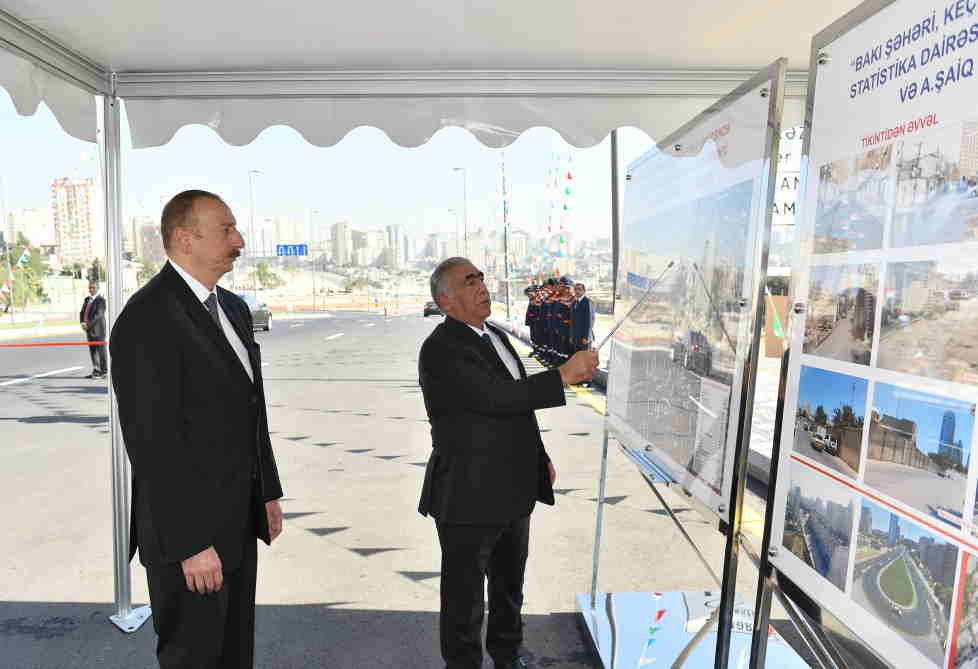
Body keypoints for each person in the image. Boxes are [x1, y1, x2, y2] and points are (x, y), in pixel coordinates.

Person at [109, 190, 284, 669]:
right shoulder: (148, 317)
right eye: (226, 230)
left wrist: (267, 492)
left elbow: (251, 411)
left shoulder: (233, 308)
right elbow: (153, 444)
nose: (239, 241)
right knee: (195, 656)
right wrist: (190, 544)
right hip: (188, 538)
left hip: (237, 521)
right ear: (186, 239)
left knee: (234, 652)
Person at [418, 257, 598, 669]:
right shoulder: (441, 349)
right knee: (464, 600)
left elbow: (519, 407)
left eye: (481, 278)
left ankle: (507, 655)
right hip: (468, 494)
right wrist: (563, 375)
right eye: (469, 282)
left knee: (508, 588)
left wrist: (539, 455)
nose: (482, 286)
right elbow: (495, 398)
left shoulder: (494, 335)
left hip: (513, 489)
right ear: (445, 301)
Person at [80, 281, 107, 378]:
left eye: (93, 288)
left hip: (98, 330)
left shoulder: (101, 300)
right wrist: (82, 322)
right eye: (90, 288)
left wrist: (88, 325)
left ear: (98, 288)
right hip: (89, 330)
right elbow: (82, 312)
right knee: (93, 351)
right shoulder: (87, 299)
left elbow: (98, 315)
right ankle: (96, 370)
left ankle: (104, 371)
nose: (91, 289)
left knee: (101, 351)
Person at [571, 282, 594, 353]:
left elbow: (589, 321)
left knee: (584, 357)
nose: (577, 291)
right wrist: (571, 336)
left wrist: (585, 337)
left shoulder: (587, 302)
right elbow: (572, 321)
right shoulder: (574, 302)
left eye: (579, 289)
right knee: (577, 356)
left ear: (584, 291)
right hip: (576, 337)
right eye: (575, 289)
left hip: (584, 338)